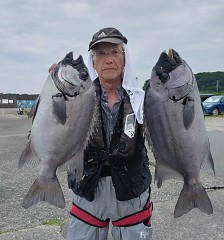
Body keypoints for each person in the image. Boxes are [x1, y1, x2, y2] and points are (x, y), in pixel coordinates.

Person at [49, 27, 153, 240]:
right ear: (93, 61)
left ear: (125, 58)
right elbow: (52, 127)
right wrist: (53, 89)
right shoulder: (74, 95)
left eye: (115, 52)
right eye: (101, 53)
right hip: (87, 188)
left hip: (132, 190)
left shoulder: (142, 99)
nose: (108, 59)